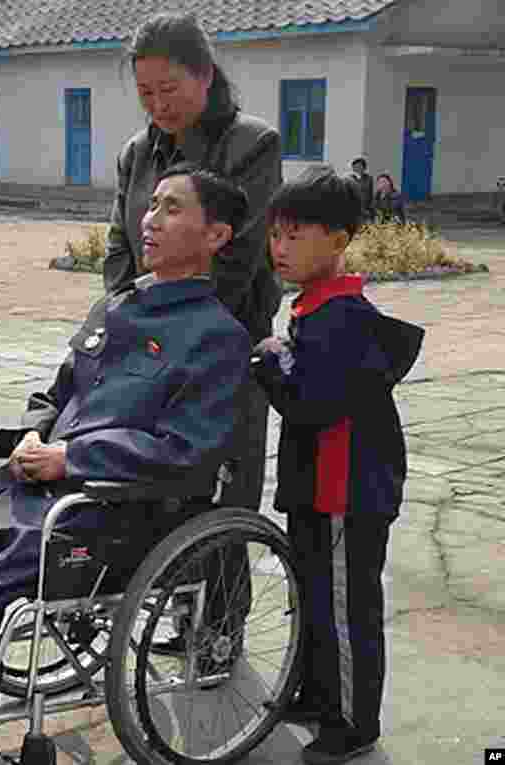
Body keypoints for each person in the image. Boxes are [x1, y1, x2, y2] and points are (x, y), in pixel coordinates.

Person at [0, 164, 253, 765]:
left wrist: (72, 457)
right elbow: (57, 395)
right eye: (152, 204)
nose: (150, 219)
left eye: (172, 208)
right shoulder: (115, 307)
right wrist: (32, 436)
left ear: (215, 236)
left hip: (93, 520)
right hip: (11, 497)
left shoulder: (217, 338)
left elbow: (185, 454)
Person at [253, 168, 423, 765]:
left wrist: (271, 363)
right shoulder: (316, 307)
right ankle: (321, 694)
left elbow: (311, 403)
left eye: (296, 235)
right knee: (314, 598)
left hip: (347, 491)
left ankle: (354, 725)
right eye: (276, 235)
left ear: (339, 239)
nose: (280, 248)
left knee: (349, 612)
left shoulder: (344, 317)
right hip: (315, 489)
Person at [103, 11, 282, 519]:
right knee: (138, 489)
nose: (158, 105)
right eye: (145, 93)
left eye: (169, 89)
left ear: (204, 74)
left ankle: (228, 599)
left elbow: (237, 258)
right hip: (144, 339)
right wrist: (123, 319)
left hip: (220, 340)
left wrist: (172, 328)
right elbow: (120, 245)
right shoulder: (137, 153)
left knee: (220, 488)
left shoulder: (252, 144)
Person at [349, 157, 375, 222]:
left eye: (360, 166)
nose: (358, 168)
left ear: (364, 168)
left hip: (365, 211)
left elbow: (370, 195)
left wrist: (370, 210)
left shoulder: (369, 179)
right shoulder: (349, 179)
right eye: (355, 166)